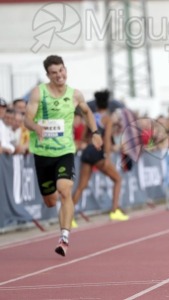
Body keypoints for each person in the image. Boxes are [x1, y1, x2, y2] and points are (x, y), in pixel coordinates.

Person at [24, 55, 103, 257]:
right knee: (50, 201)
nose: (59, 75)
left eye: (61, 71)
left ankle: (64, 238)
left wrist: (95, 133)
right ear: (48, 75)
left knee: (65, 190)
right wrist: (36, 127)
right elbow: (27, 119)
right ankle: (60, 217)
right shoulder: (38, 93)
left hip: (65, 151)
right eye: (54, 73)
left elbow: (86, 113)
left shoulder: (75, 94)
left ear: (65, 69)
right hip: (42, 153)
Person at [72, 89, 129, 222]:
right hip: (98, 152)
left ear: (96, 104)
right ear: (107, 105)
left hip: (87, 152)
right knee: (118, 179)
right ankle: (115, 210)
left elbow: (84, 136)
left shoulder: (90, 116)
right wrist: (107, 157)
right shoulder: (107, 119)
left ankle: (68, 217)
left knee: (81, 185)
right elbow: (107, 140)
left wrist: (85, 144)